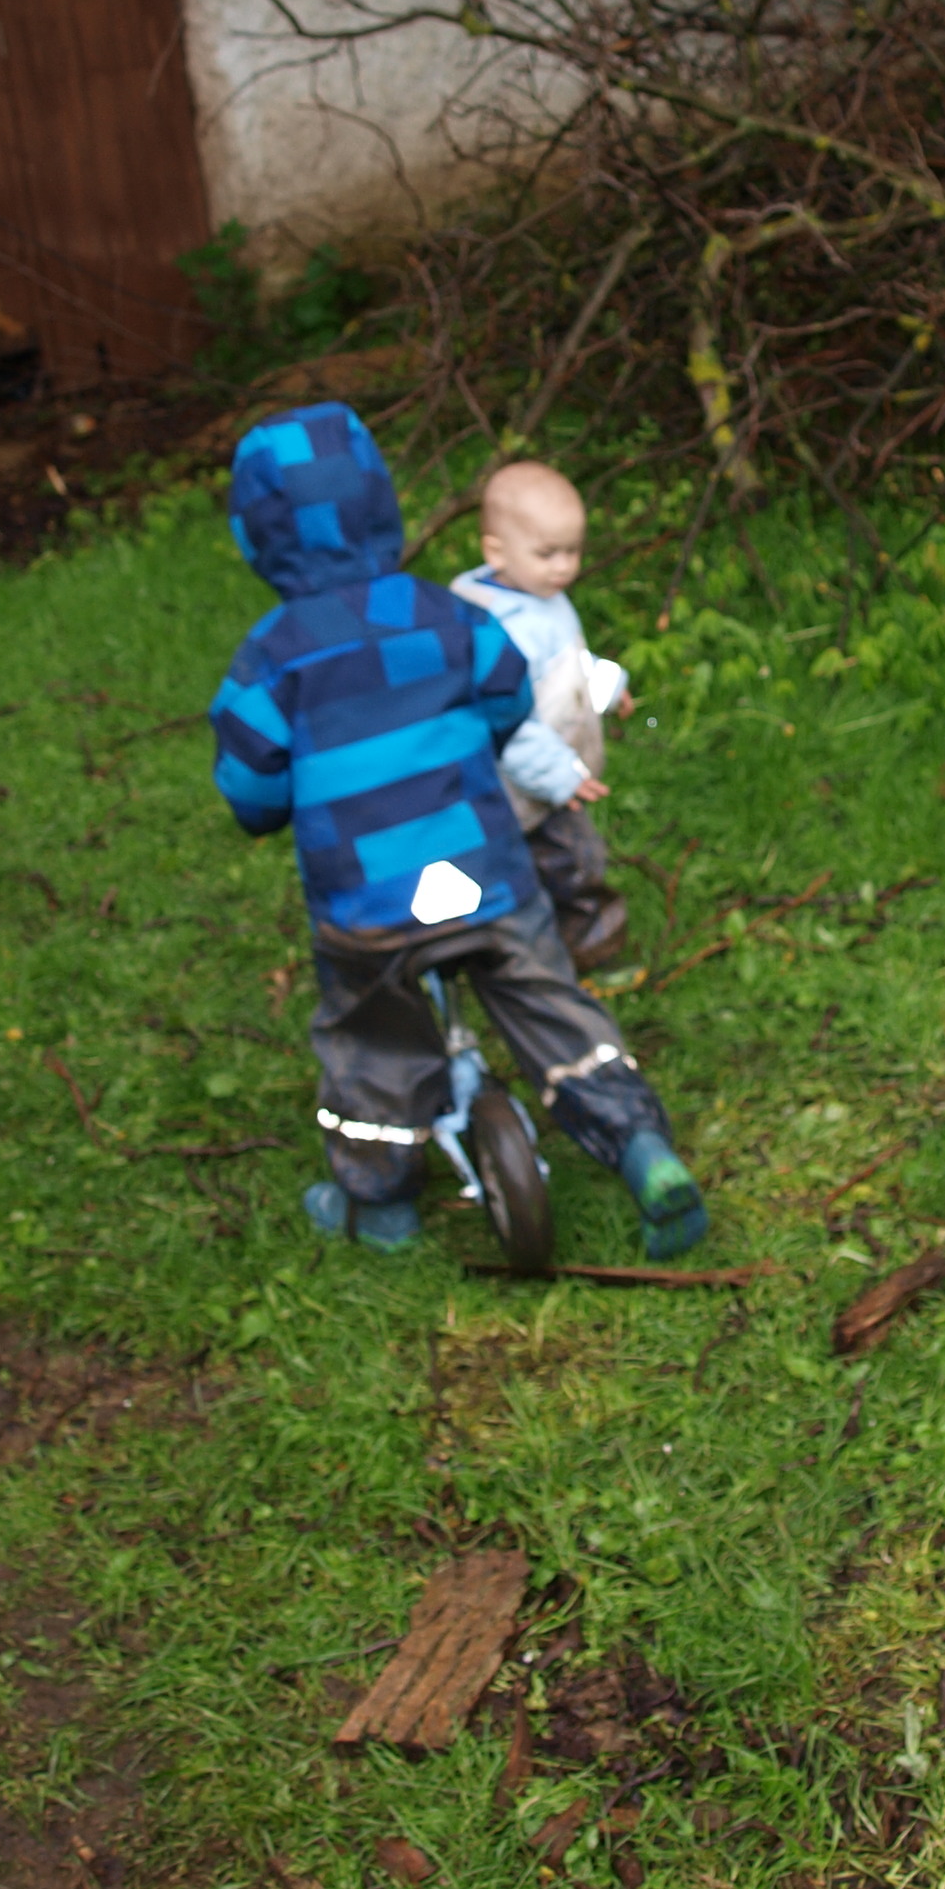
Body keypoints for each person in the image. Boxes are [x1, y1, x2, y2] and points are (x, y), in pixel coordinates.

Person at [206, 404, 708, 1258]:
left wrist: (272, 806)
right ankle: (639, 1146)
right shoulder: (445, 614)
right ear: (382, 509)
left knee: (373, 1036)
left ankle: (380, 1202)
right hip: (481, 872)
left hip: (370, 900)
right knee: (545, 998)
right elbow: (508, 696)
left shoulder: (271, 658)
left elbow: (251, 781)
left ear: (257, 537)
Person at [450, 459, 630, 968]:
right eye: (548, 553)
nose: (564, 567)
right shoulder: (495, 626)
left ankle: (537, 947)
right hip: (520, 785)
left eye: (573, 551)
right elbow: (503, 720)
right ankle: (581, 950)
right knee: (573, 862)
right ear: (496, 551)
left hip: (551, 774)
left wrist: (609, 685)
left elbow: (565, 665)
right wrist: (557, 777)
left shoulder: (540, 595)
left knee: (543, 862)